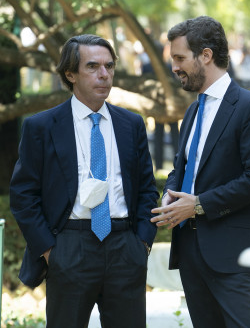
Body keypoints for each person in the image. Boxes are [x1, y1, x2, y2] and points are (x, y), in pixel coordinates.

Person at [9, 34, 158, 328]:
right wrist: (51, 251)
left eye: (109, 66)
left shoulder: (131, 124)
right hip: (69, 245)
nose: (104, 74)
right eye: (92, 66)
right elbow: (23, 194)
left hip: (125, 247)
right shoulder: (41, 126)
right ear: (70, 74)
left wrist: (141, 243)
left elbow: (146, 188)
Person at [150, 16, 250, 327]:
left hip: (234, 253)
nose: (174, 67)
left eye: (179, 58)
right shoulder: (193, 110)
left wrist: (197, 205)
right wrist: (171, 192)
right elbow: (182, 168)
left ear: (205, 55)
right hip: (191, 253)